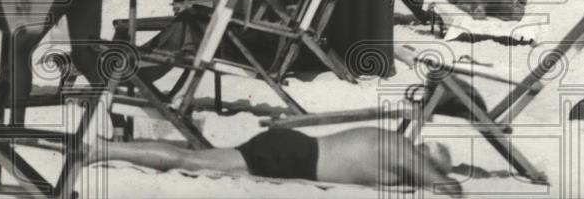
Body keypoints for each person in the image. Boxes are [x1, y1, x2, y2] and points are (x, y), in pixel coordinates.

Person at [81, 127, 461, 195]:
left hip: (295, 150)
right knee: (191, 162)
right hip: (294, 157)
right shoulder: (402, 150)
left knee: (193, 160)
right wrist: (447, 180)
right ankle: (102, 150)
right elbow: (446, 185)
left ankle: (106, 148)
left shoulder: (393, 146)